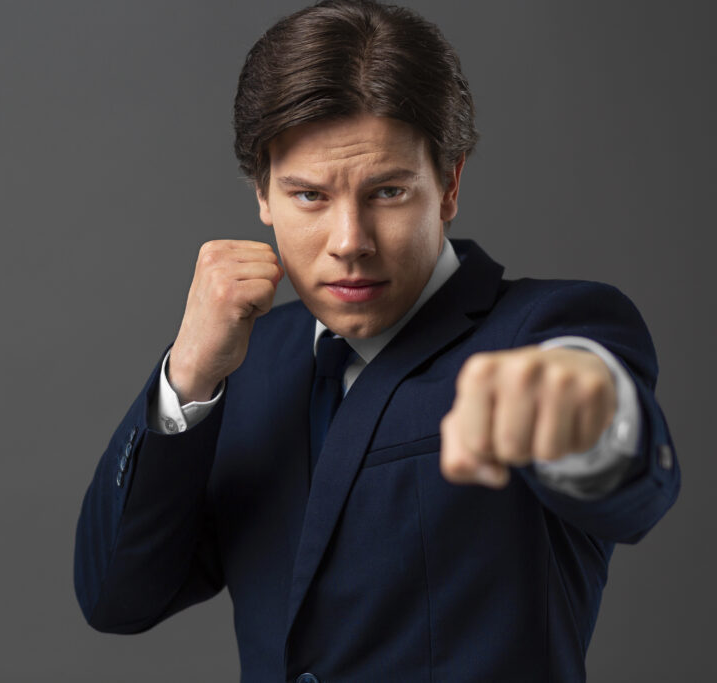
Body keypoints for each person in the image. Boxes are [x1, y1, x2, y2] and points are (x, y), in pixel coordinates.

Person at [73, 1, 680, 680]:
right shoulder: (244, 363)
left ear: (448, 184)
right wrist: (186, 378)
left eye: (387, 192)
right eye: (309, 196)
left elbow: (631, 483)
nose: (349, 242)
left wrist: (585, 408)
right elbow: (115, 597)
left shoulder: (541, 332)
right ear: (263, 194)